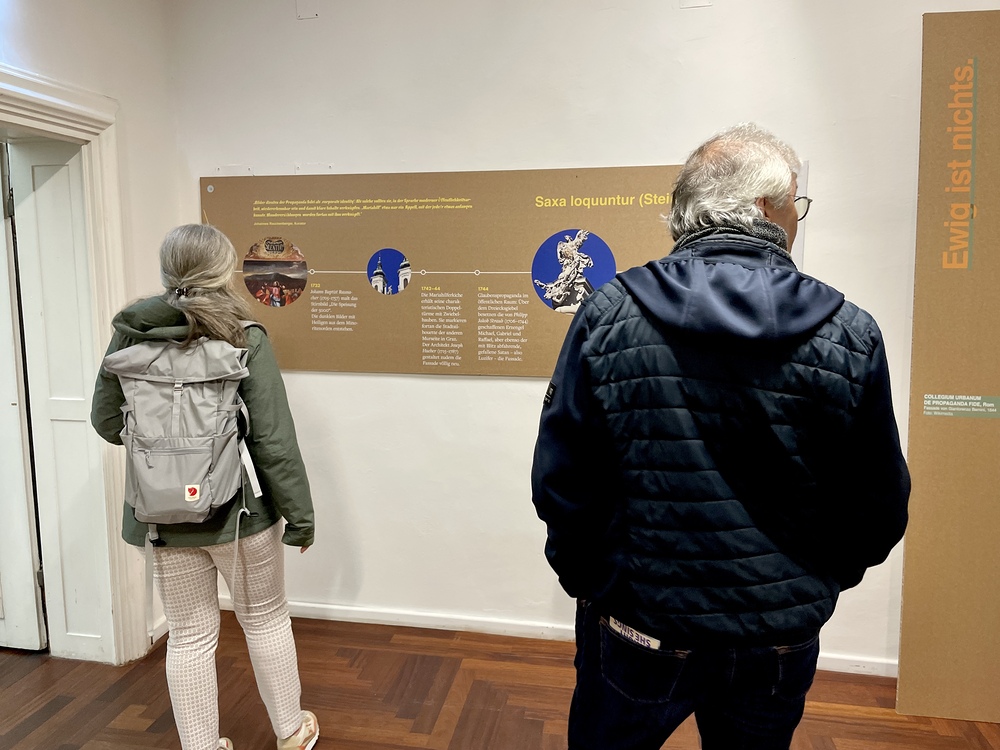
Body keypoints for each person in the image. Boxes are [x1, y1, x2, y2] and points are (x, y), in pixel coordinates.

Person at [531, 123, 910, 750]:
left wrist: (604, 588)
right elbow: (878, 502)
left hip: (641, 626)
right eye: (797, 203)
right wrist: (811, 583)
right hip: (775, 636)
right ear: (765, 206)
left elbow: (563, 479)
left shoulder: (610, 314)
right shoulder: (849, 333)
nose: (798, 218)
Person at [91, 224, 320, 750]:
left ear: (167, 270)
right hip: (239, 515)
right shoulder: (244, 335)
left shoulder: (130, 334)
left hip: (160, 518)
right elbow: (273, 441)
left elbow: (106, 421)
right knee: (264, 620)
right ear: (221, 271)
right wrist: (301, 517)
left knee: (190, 636)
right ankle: (291, 733)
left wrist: (166, 453)